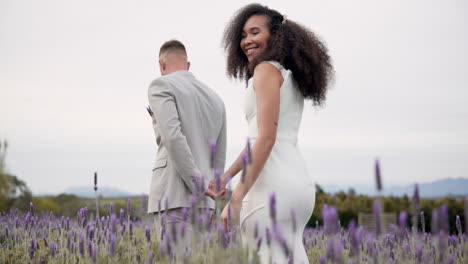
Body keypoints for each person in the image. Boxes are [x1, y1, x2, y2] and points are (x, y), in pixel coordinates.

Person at [214, 4, 333, 263]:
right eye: (243, 35)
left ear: (275, 35)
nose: (247, 41)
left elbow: (266, 139)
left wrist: (236, 198)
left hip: (271, 185)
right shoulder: (288, 76)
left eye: (255, 32)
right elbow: (260, 138)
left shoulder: (266, 70)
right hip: (295, 181)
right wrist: (228, 175)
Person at [147, 40, 227, 260]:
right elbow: (218, 155)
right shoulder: (216, 99)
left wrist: (197, 184)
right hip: (206, 204)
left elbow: (172, 138)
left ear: (162, 64)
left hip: (174, 197)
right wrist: (211, 200)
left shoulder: (160, 85)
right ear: (188, 65)